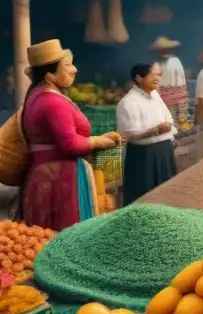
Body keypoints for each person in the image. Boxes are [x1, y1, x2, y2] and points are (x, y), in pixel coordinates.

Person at [20, 40, 121, 230]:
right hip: (59, 178)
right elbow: (70, 144)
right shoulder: (52, 102)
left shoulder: (37, 95)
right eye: (66, 65)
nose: (74, 70)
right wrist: (98, 141)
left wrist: (99, 139)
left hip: (45, 173)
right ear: (50, 74)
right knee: (66, 233)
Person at [117, 62, 177, 205]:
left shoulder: (155, 95)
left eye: (158, 75)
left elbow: (168, 119)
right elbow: (127, 134)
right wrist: (156, 130)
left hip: (164, 152)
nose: (158, 79)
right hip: (144, 156)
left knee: (167, 196)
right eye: (153, 75)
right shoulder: (128, 103)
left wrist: (167, 129)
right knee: (144, 198)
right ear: (139, 78)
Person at [150, 36, 188, 123]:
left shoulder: (175, 61)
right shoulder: (156, 63)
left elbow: (181, 85)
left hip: (174, 100)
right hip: (160, 100)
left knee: (173, 123)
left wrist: (182, 109)